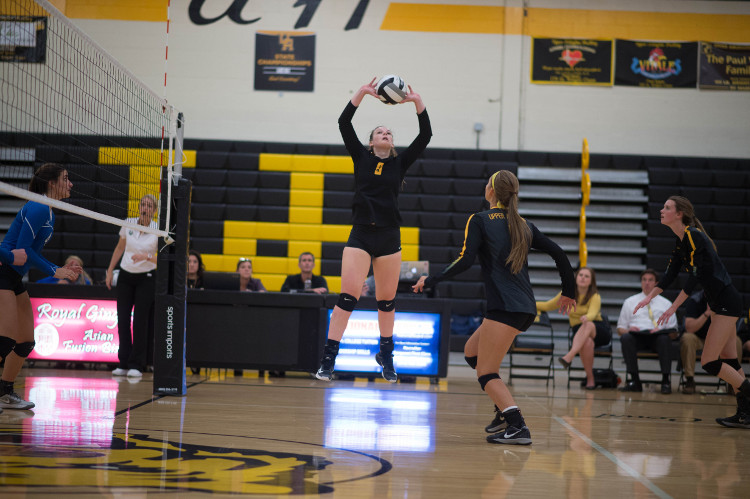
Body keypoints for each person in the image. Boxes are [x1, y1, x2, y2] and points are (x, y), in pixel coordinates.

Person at [413, 170, 576, 445]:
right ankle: (502, 409)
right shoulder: (524, 224)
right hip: (521, 308)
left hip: (505, 308)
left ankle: (517, 426)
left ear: (490, 191)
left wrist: (431, 279)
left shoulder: (480, 220)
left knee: (486, 372)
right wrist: (568, 292)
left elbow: (465, 261)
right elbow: (559, 253)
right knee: (471, 352)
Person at [314, 77, 431, 383]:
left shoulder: (399, 163)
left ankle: (386, 356)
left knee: (387, 301)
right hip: (361, 234)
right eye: (380, 131)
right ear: (371, 141)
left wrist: (417, 102)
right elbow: (343, 122)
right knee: (348, 297)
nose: (386, 133)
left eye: (389, 132)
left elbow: (426, 134)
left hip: (390, 236)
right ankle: (329, 359)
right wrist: (363, 93)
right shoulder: (361, 157)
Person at [635, 196, 749, 428]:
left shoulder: (693, 235)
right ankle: (745, 414)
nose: (661, 210)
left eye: (667, 208)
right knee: (731, 361)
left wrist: (674, 306)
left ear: (679, 214)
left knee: (708, 361)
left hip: (726, 301)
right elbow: (669, 276)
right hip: (718, 303)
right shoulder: (680, 242)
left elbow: (695, 275)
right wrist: (649, 297)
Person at [0, 163, 79, 410]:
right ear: (52, 183)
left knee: (25, 342)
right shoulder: (38, 207)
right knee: (5, 340)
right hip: (4, 272)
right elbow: (22, 251)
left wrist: (59, 269)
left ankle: (5, 392)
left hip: (14, 277)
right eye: (66, 179)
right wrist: (57, 270)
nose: (71, 183)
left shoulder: (48, 209)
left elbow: (30, 252)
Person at [106, 194, 159, 378]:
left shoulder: (158, 229)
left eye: (149, 206)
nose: (145, 208)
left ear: (154, 210)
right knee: (122, 319)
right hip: (126, 276)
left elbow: (163, 259)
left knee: (140, 321)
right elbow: (120, 248)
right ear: (139, 207)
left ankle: (137, 364)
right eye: (143, 204)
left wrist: (146, 257)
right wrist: (110, 269)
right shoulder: (128, 222)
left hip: (147, 276)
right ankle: (123, 362)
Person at [536, 266, 611, 390]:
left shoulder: (594, 296)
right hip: (578, 331)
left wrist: (587, 317)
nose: (583, 278)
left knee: (588, 324)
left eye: (587, 276)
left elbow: (593, 312)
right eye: (581, 275)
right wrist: (528, 303)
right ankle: (590, 379)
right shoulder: (567, 294)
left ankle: (569, 356)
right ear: (576, 277)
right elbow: (548, 305)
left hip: (597, 329)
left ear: (591, 281)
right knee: (587, 343)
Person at [617, 269, 679, 394]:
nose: (647, 283)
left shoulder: (666, 303)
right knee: (625, 338)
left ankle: (666, 381)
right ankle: (635, 381)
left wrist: (661, 330)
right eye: (644, 280)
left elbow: (674, 333)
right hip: (637, 337)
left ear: (656, 283)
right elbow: (620, 329)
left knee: (665, 339)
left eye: (650, 280)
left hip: (657, 338)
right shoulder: (630, 302)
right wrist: (629, 330)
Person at [680, 291, 742, 394]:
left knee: (736, 341)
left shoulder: (727, 300)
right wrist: (707, 313)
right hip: (699, 338)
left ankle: (734, 382)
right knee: (687, 338)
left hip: (719, 339)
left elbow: (731, 326)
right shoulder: (695, 300)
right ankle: (690, 380)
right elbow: (689, 328)